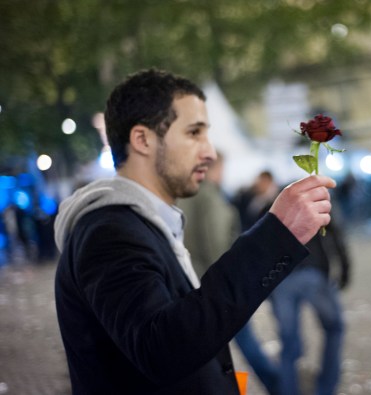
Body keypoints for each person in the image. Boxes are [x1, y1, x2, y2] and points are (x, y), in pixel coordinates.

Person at [53, 68, 335, 395]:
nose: (209, 152)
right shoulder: (110, 233)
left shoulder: (143, 224)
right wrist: (274, 236)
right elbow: (162, 350)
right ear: (142, 139)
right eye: (194, 133)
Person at [177, 153, 281, 394]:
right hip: (215, 287)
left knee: (211, 355)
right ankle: (277, 386)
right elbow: (216, 246)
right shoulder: (210, 197)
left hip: (192, 285)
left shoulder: (184, 196)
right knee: (245, 344)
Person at [270, 219, 351, 395]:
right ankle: (326, 388)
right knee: (335, 327)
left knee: (288, 342)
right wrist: (345, 268)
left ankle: (288, 391)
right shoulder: (316, 194)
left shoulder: (269, 203)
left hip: (282, 278)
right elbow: (335, 231)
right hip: (312, 271)